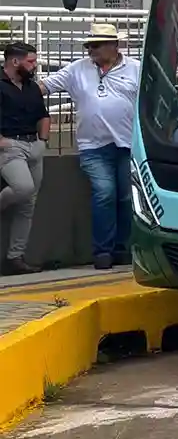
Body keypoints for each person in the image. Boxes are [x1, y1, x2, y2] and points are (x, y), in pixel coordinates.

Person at [44, 24, 141, 269]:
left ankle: (123, 249)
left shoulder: (136, 69)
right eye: (89, 46)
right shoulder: (78, 69)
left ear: (114, 46)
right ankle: (103, 251)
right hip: (93, 145)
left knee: (127, 198)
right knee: (104, 193)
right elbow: (46, 86)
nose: (91, 50)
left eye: (96, 46)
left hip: (128, 142)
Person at [0, 42, 49, 276]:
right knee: (23, 188)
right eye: (31, 61)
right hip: (10, 146)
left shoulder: (31, 87)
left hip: (34, 144)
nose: (35, 64)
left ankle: (15, 257)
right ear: (15, 61)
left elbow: (44, 115)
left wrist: (44, 141)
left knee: (28, 205)